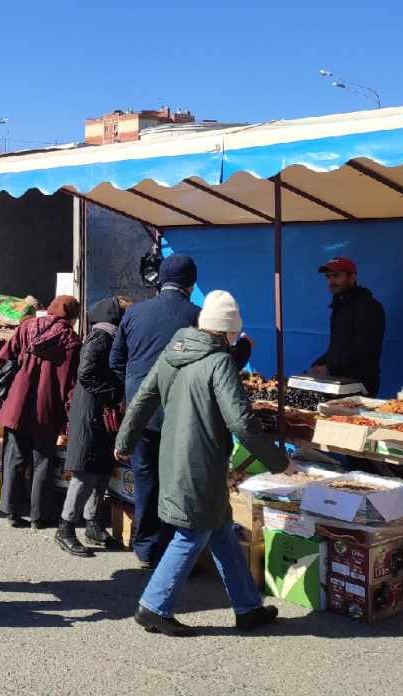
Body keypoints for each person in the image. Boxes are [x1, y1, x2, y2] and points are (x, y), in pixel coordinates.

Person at [115, 291, 291, 637]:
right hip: (203, 463)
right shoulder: (220, 362)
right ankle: (154, 607)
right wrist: (279, 462)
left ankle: (248, 608)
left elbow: (141, 400)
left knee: (221, 529)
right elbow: (241, 422)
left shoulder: (173, 353)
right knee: (191, 533)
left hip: (173, 457)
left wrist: (124, 441)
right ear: (227, 332)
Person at [110, 253, 202, 569]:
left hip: (141, 413)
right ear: (192, 284)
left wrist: (132, 389)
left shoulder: (134, 313)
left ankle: (146, 548)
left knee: (146, 478)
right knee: (176, 483)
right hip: (180, 415)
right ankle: (169, 554)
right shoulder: (197, 316)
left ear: (159, 281)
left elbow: (115, 360)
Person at [0, 296, 83, 529]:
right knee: (43, 462)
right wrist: (69, 418)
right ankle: (39, 516)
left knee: (15, 457)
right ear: (73, 317)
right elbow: (70, 384)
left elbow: (3, 356)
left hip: (18, 403)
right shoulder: (70, 340)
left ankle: (11, 511)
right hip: (47, 408)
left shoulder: (28, 327)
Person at [56, 298, 128, 556]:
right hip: (90, 412)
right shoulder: (100, 339)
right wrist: (114, 396)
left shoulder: (107, 338)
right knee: (85, 471)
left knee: (100, 469)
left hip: (100, 412)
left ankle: (94, 525)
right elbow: (87, 373)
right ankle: (65, 528)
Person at [309, 257, 386, 397]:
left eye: (337, 275)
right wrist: (320, 363)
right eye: (328, 277)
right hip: (339, 382)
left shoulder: (368, 306)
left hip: (360, 383)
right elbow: (339, 345)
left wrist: (330, 367)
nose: (331, 281)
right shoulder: (340, 306)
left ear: (352, 277)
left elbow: (364, 347)